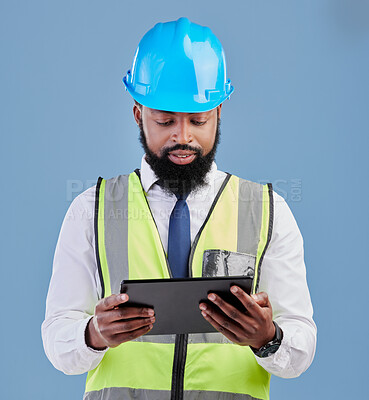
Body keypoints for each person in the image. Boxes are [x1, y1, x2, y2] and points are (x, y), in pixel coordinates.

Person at [42, 17, 316, 400]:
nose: (183, 136)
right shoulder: (91, 209)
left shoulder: (268, 211)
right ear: (138, 114)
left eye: (198, 120)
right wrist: (94, 334)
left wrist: (267, 338)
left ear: (219, 113)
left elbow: (301, 346)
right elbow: (57, 340)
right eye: (166, 120)